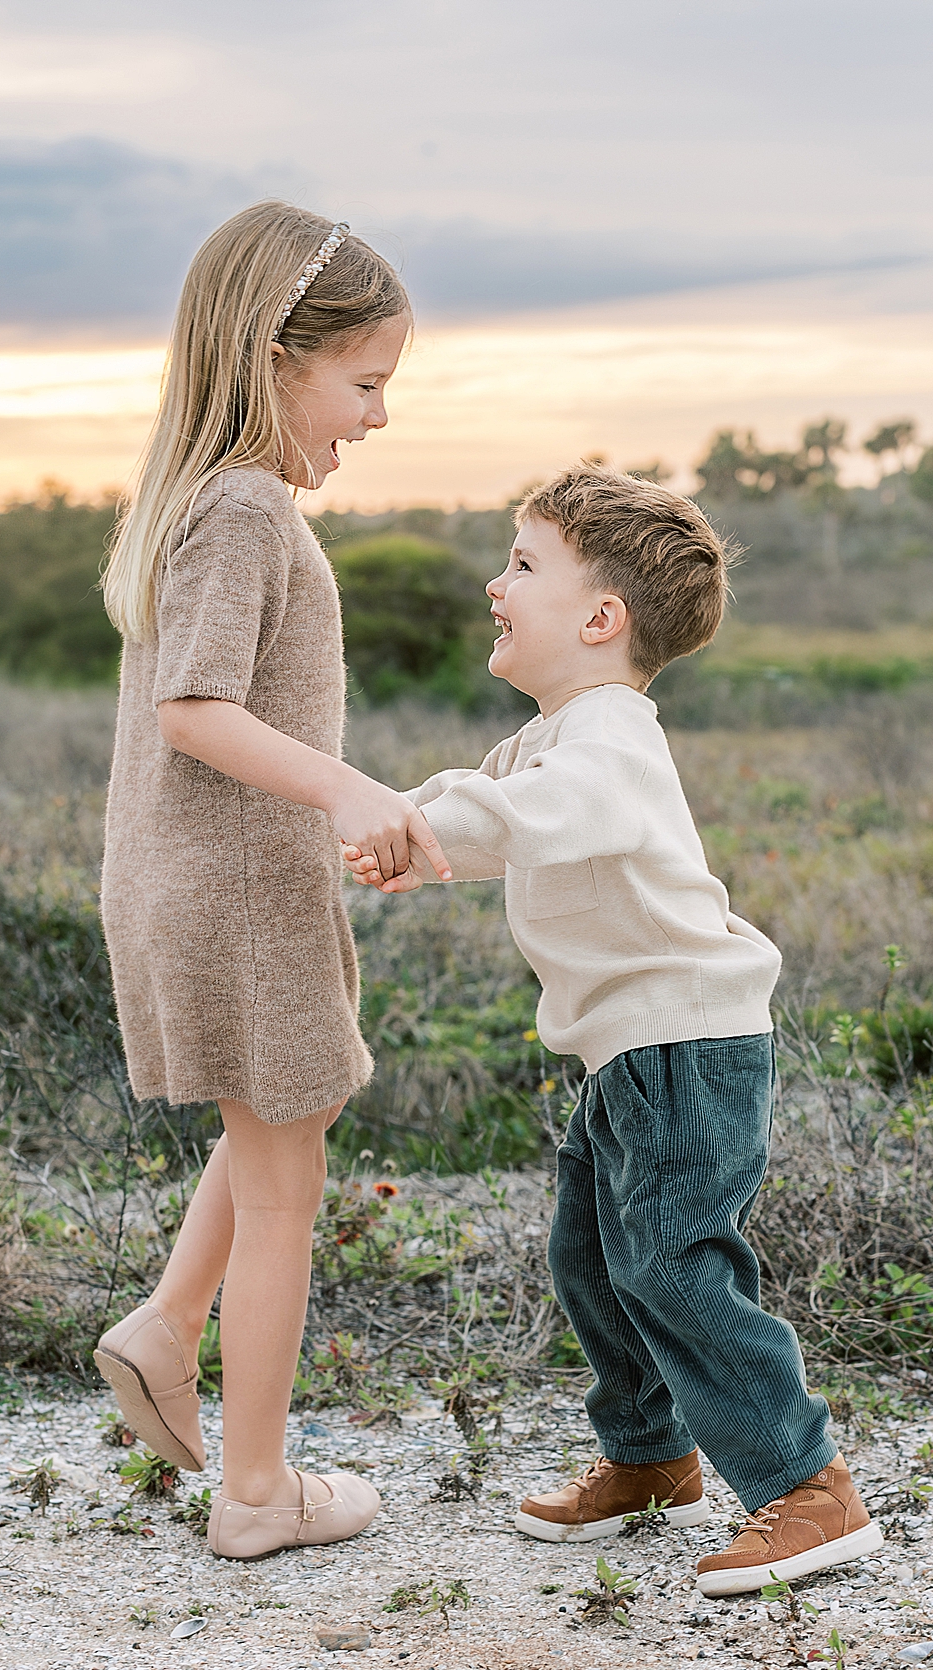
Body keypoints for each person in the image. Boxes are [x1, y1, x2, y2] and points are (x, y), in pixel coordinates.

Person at [345, 463, 878, 1597]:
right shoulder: (550, 738)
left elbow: (537, 814)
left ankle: (809, 1484)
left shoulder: (609, 742)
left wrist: (414, 827)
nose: (496, 584)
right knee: (592, 1259)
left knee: (673, 1267)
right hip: (628, 1052)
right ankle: (648, 1456)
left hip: (684, 1044)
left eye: (522, 564)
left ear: (600, 618)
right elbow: (487, 811)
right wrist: (403, 832)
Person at [90, 201, 450, 1561]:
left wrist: (335, 812)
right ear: (273, 357)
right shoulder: (242, 505)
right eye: (364, 384)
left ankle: (166, 1324)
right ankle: (256, 1494)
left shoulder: (208, 500)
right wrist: (352, 789)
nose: (373, 416)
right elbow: (197, 706)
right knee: (289, 1181)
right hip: (233, 890)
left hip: (209, 879)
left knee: (285, 1117)